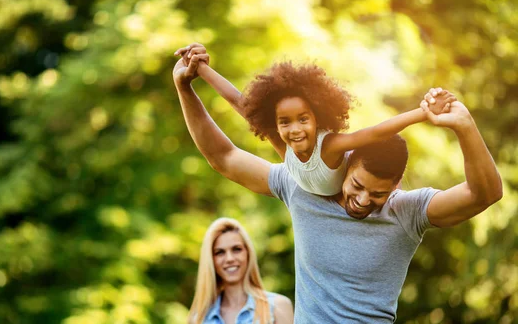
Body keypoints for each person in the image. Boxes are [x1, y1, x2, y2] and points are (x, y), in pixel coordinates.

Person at [173, 50, 502, 324]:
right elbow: (224, 156)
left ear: (396, 187)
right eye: (357, 186)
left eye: (378, 195)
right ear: (346, 165)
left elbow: (485, 194)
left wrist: (464, 126)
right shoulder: (301, 187)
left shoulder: (407, 211)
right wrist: (185, 89)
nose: (362, 201)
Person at [173, 43, 455, 196]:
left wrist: (422, 113)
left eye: (303, 119)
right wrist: (198, 67)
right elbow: (240, 102)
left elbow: (374, 132)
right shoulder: (285, 147)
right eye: (285, 122)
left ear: (317, 118)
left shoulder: (329, 147)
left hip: (351, 187)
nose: (294, 130)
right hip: (311, 185)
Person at [183, 217, 294, 324]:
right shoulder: (198, 319)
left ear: (248, 253)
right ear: (211, 260)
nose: (229, 258)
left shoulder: (278, 307)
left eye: (236, 249)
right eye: (219, 252)